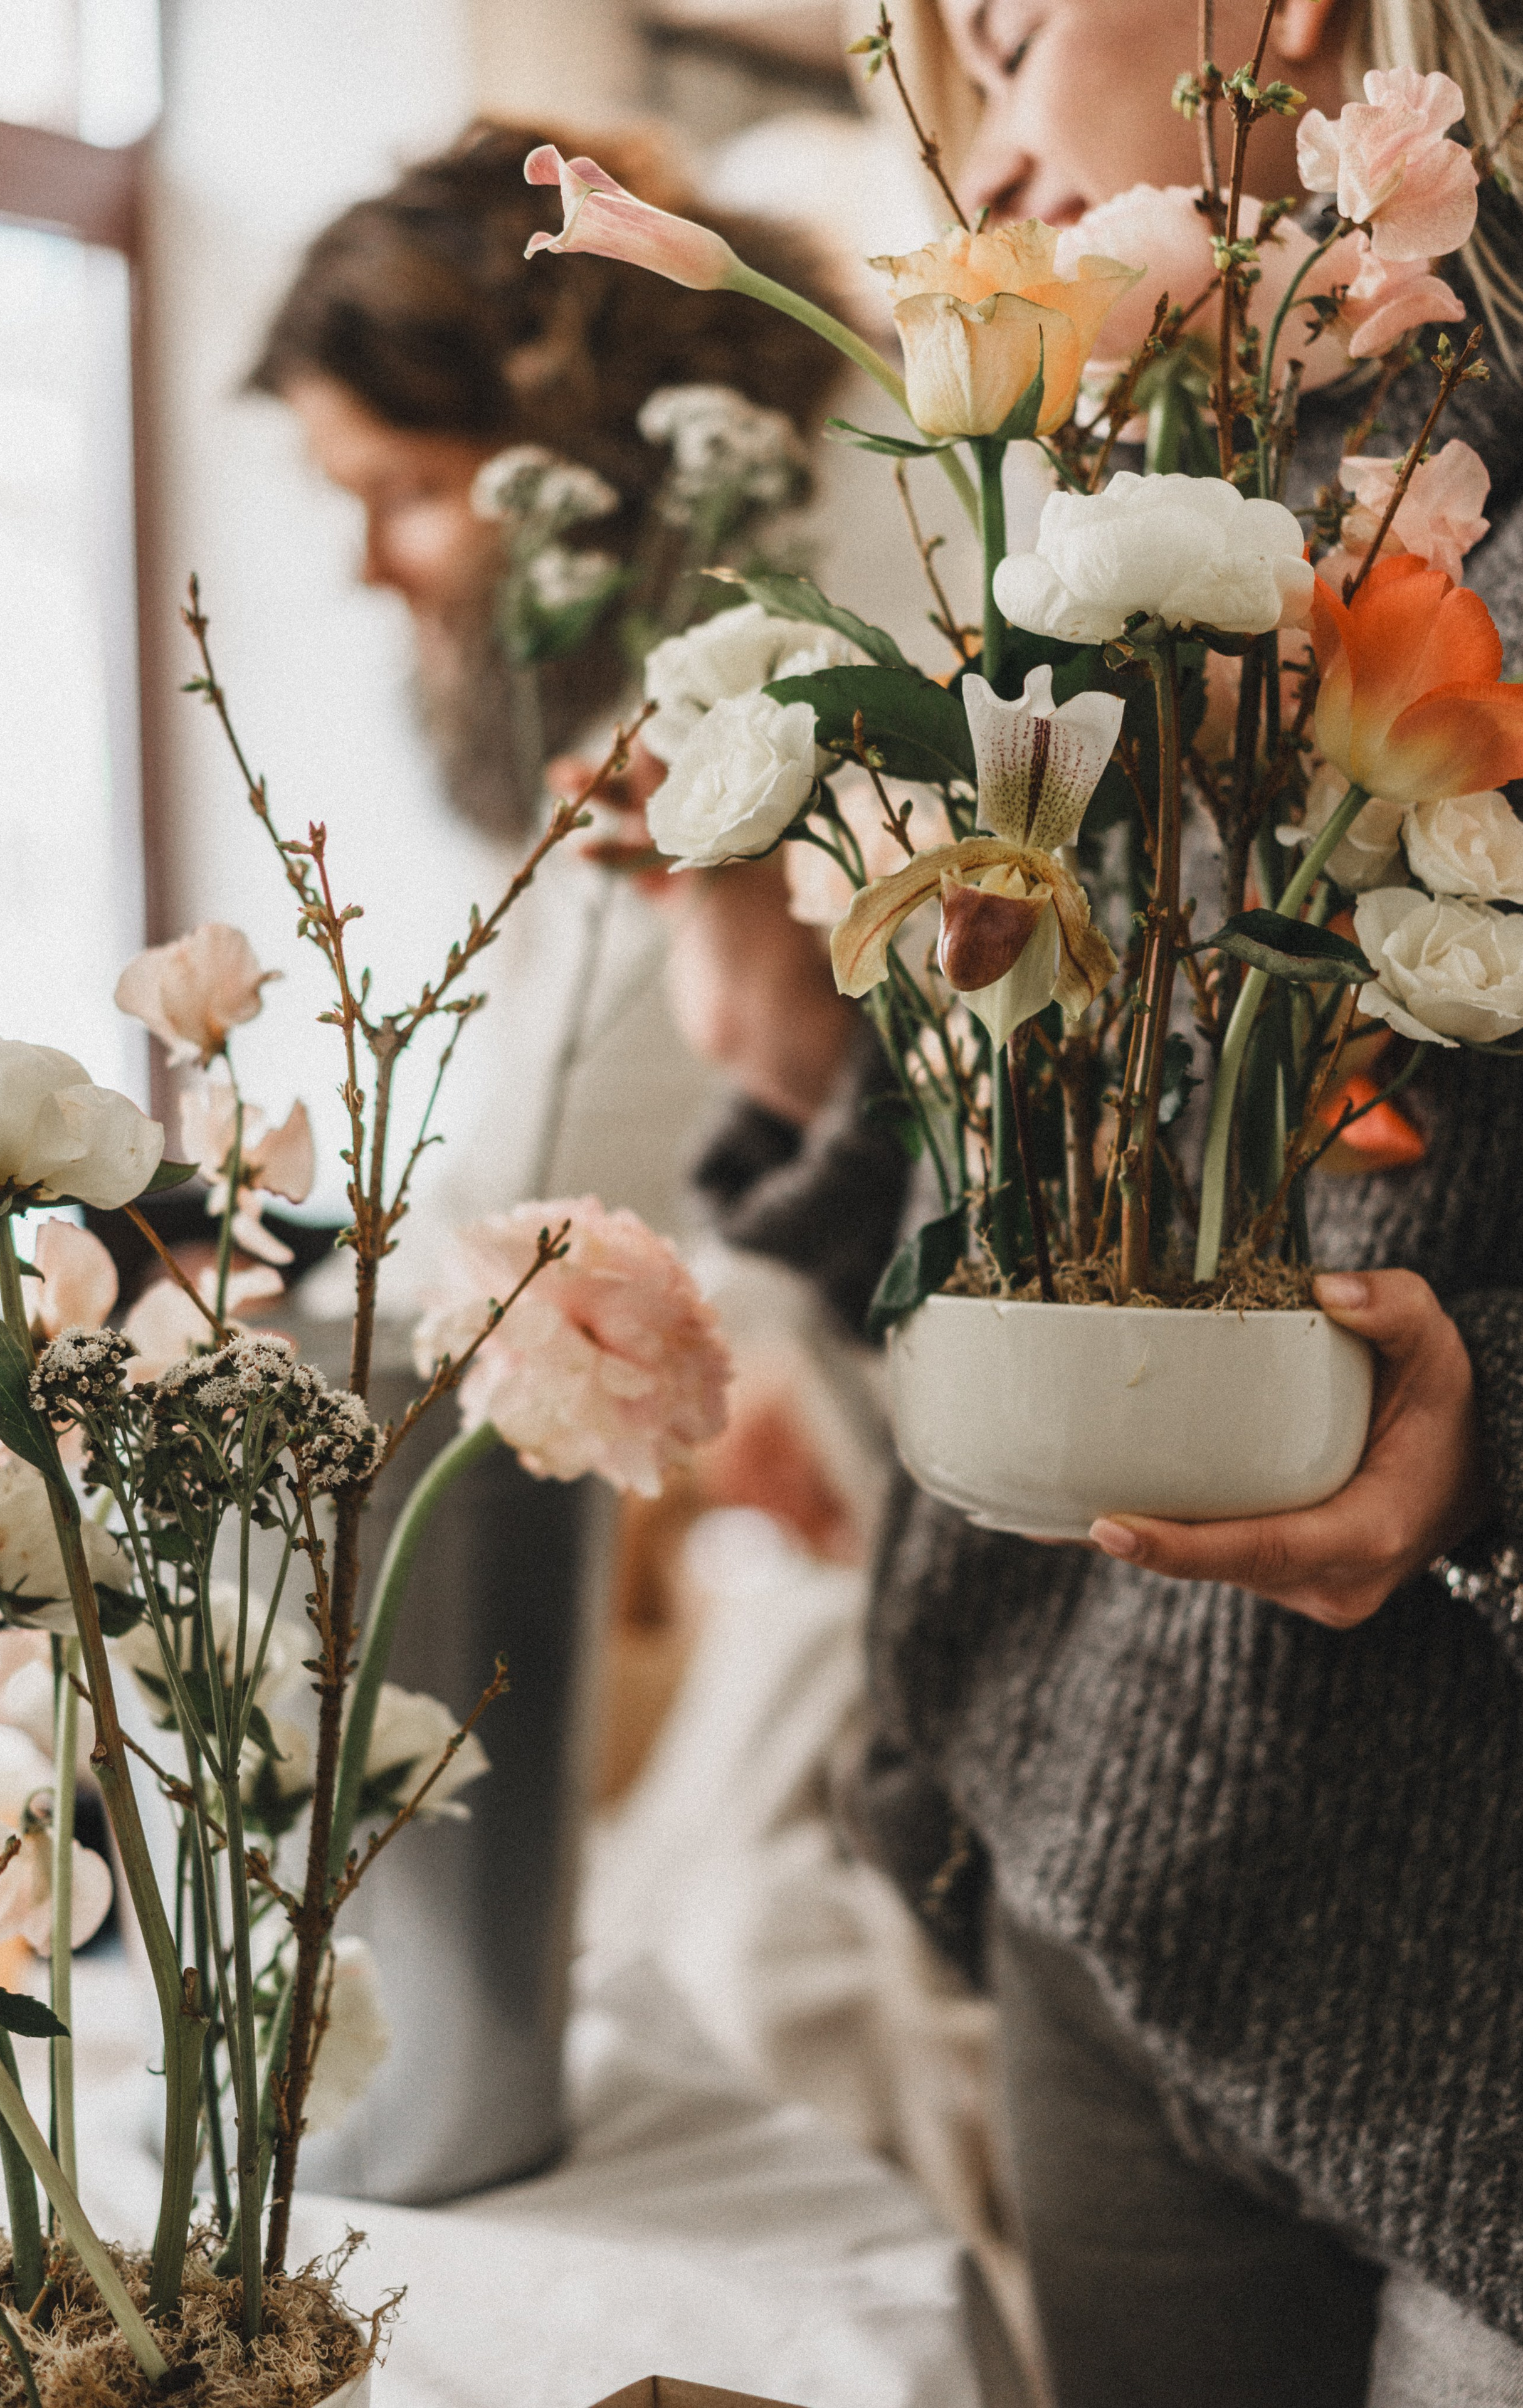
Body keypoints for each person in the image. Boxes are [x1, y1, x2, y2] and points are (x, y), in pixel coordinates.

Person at [611, 1, 1523, 2400]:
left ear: (1276, 21)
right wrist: (805, 1045)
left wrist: (1485, 1427)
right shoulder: (1110, 550)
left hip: (1453, 1929)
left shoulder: (1436, 530)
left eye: (1007, 37)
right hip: (1092, 1811)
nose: (989, 153)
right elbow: (1025, 1166)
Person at [251, 117, 843, 842]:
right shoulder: (565, 712)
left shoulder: (828, 657)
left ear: (583, 449)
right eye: (347, 499)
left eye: (408, 493)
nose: (369, 569)